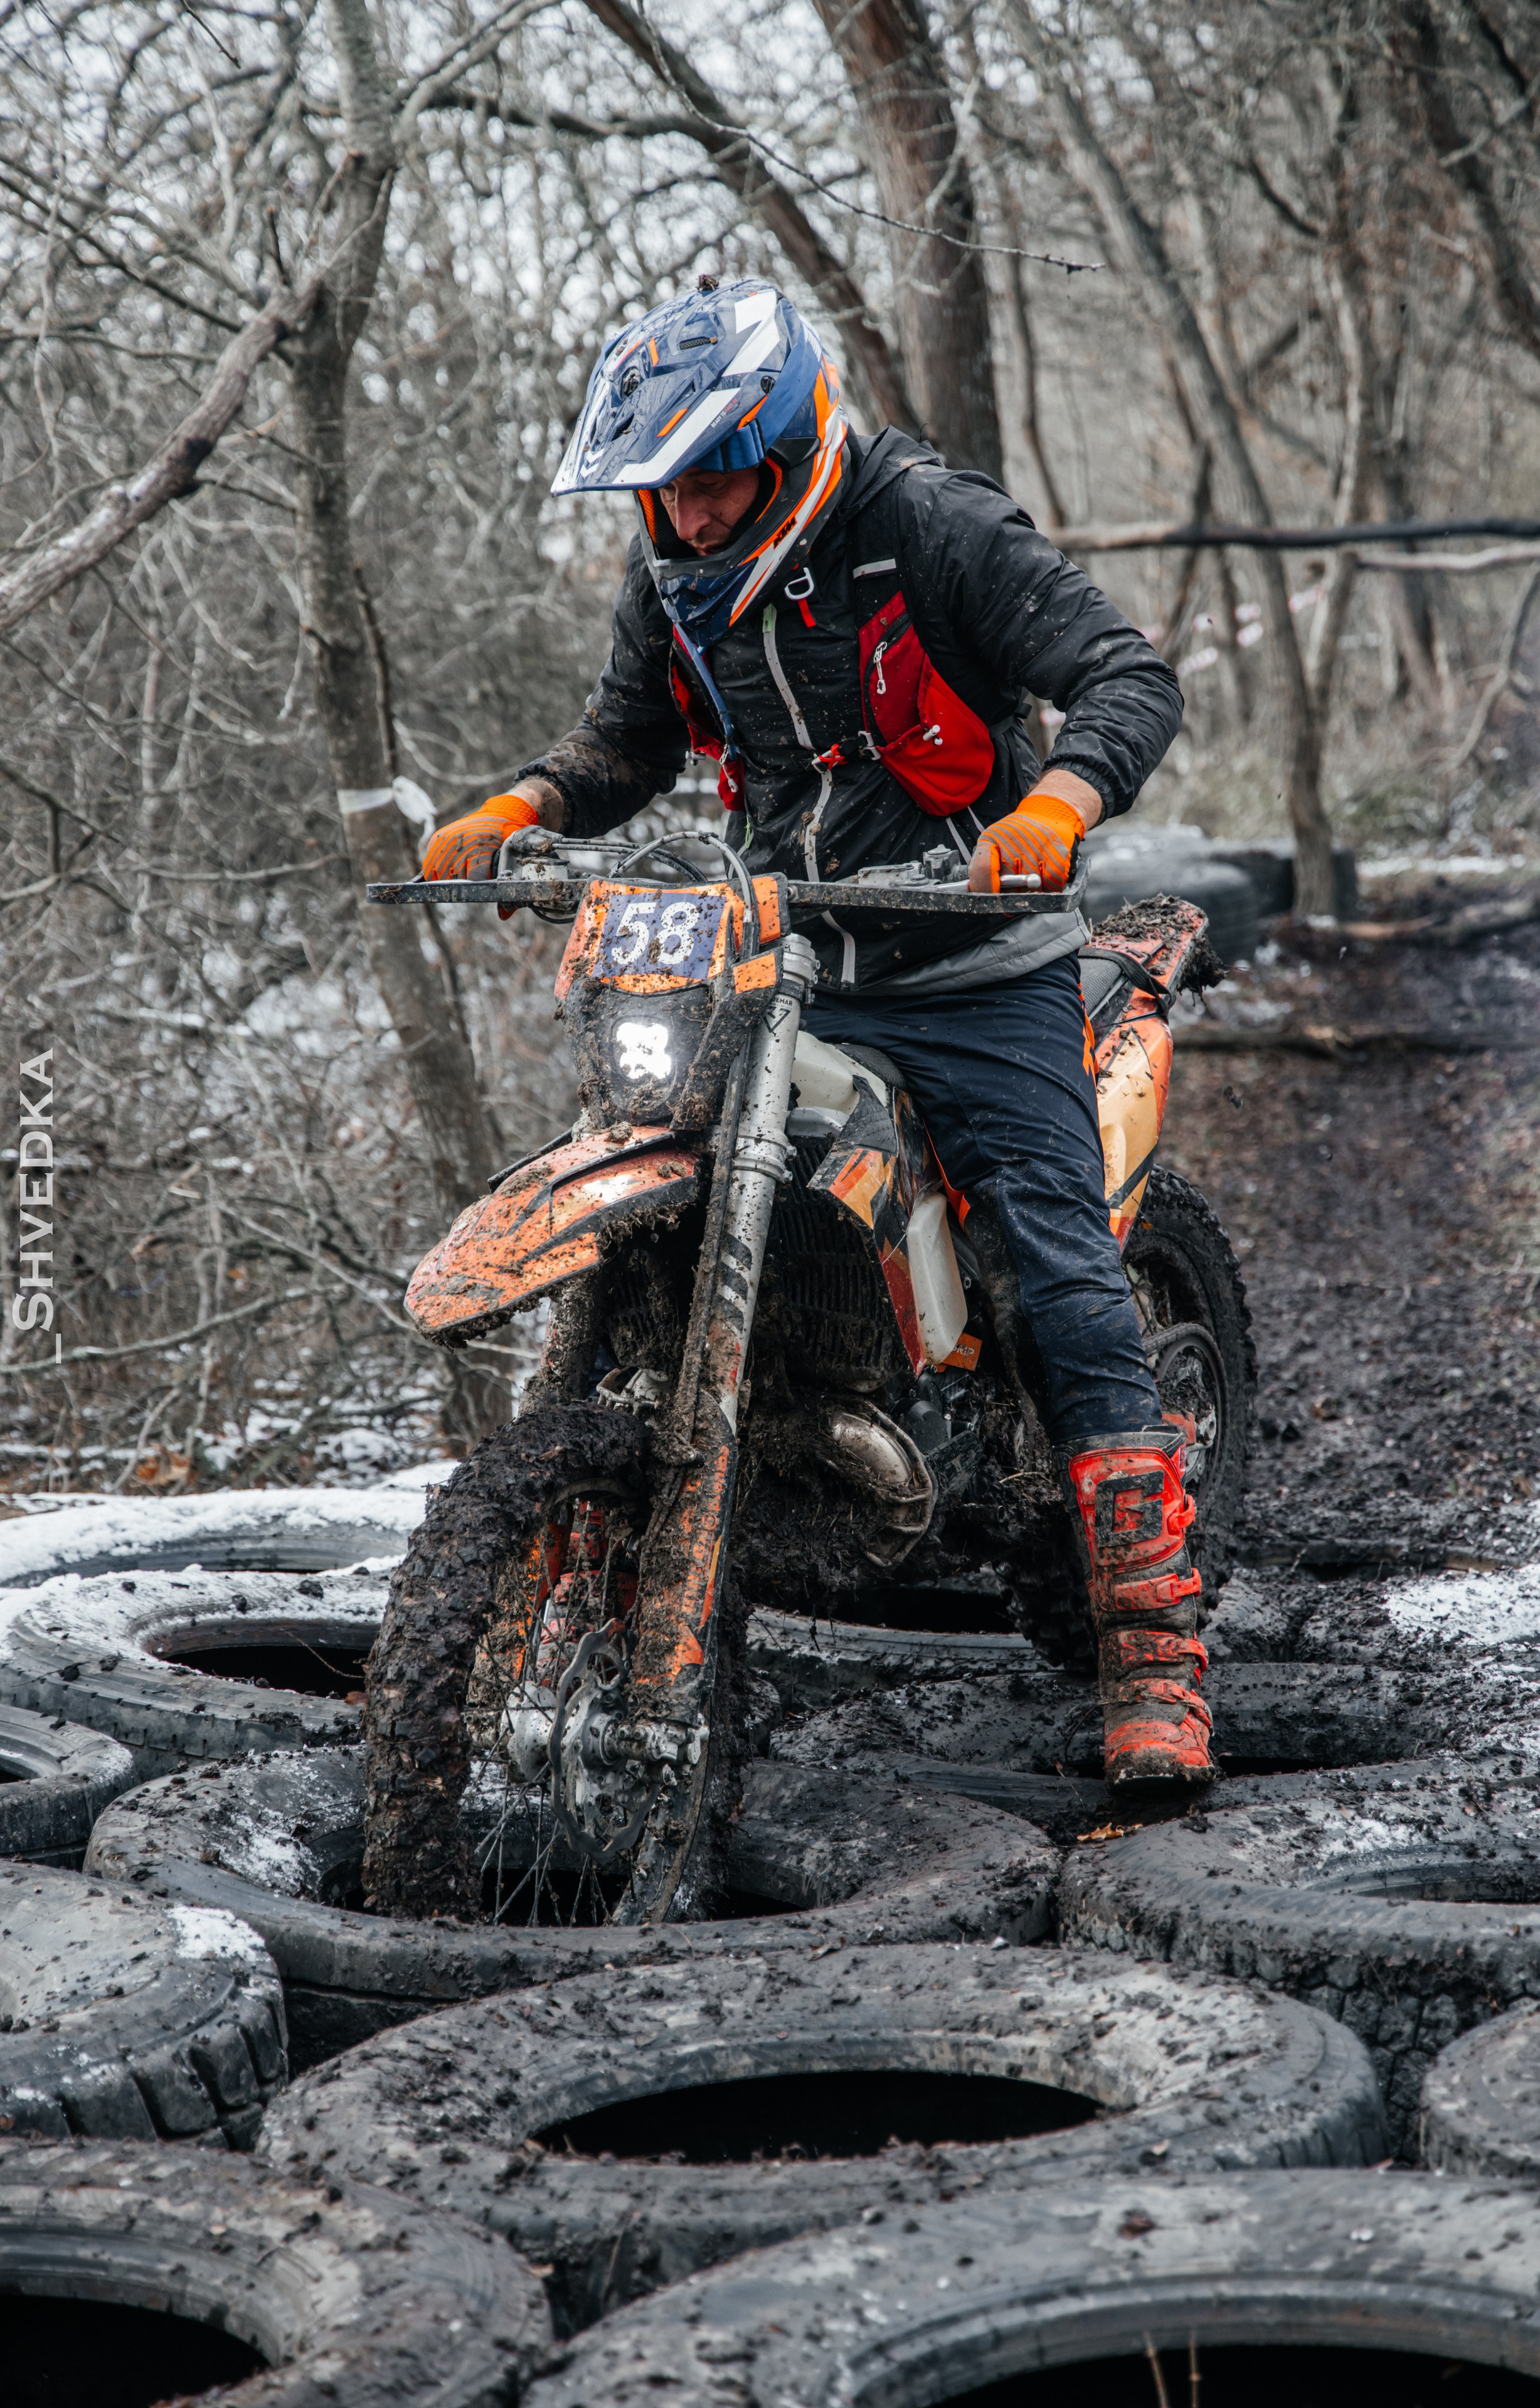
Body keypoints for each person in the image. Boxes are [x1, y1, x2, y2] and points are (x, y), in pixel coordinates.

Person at [420, 277, 1210, 1790]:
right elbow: (624, 743)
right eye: (662, 487)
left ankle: (1155, 1657)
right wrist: (525, 804)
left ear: (787, 451)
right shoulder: (671, 573)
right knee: (659, 1169)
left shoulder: (927, 523)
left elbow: (1125, 675)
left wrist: (1059, 802)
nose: (691, 512)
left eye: (715, 477)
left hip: (980, 963)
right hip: (781, 955)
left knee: (1057, 1264)